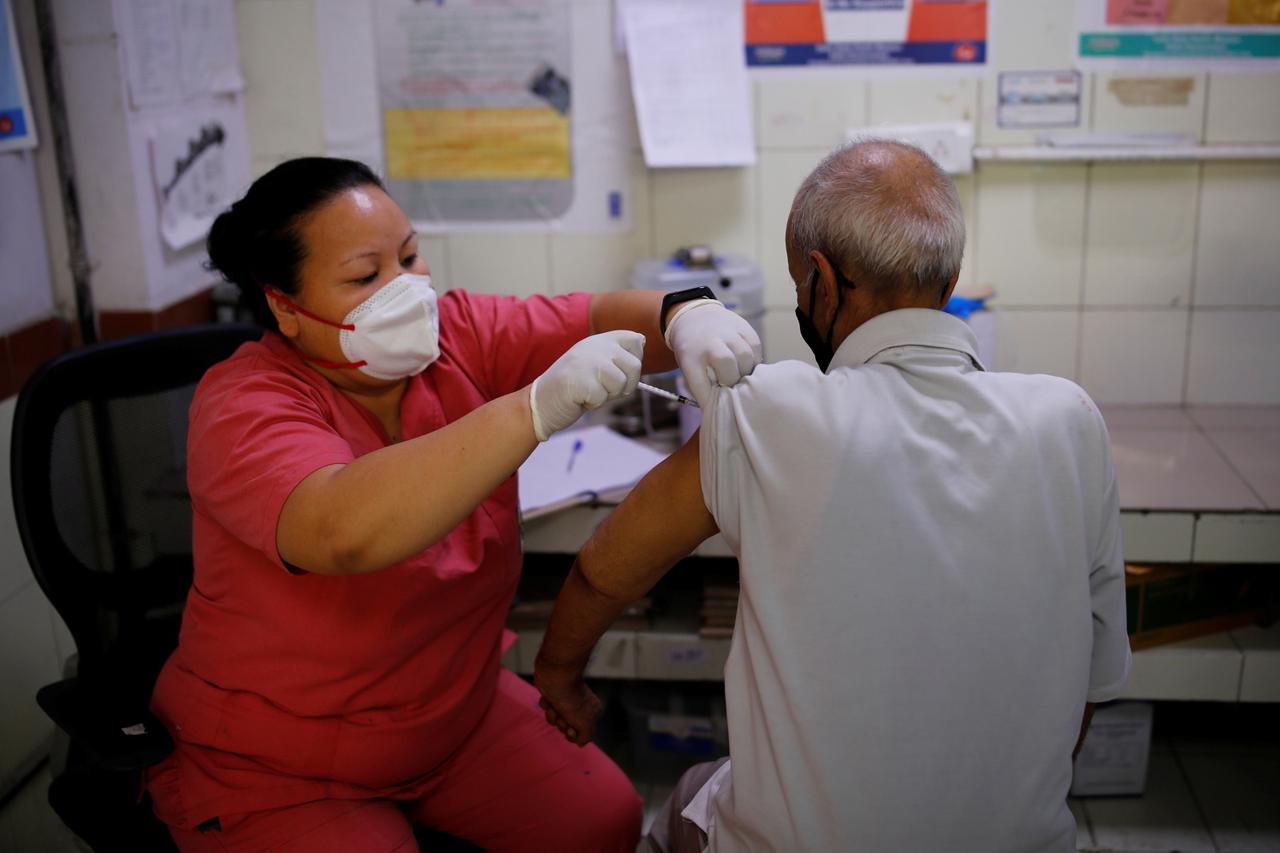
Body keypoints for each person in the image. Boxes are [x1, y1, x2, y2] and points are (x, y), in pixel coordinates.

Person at [144, 156, 762, 852]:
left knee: (603, 819)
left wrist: (688, 316)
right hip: (285, 755)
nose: (406, 290)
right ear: (284, 306)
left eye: (410, 257)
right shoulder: (244, 404)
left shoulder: (456, 338)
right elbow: (340, 527)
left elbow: (594, 315)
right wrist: (531, 409)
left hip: (448, 715)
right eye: (364, 276)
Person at [533, 140, 1131, 852]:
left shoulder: (770, 411)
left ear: (818, 280)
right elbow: (1094, 673)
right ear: (949, 274)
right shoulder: (1071, 420)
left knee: (691, 796)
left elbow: (607, 565)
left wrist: (558, 675)